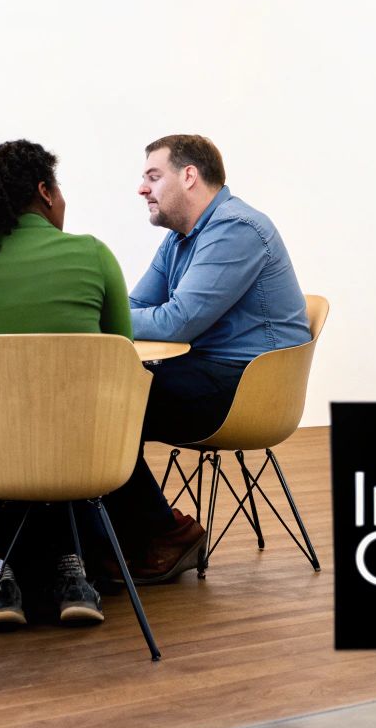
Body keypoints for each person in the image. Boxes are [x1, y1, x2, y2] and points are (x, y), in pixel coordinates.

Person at [0, 139, 128, 630]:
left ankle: (7, 574)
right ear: (44, 192)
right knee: (60, 431)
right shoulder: (93, 254)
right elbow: (122, 352)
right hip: (86, 449)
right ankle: (70, 573)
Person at [107, 133, 310, 582]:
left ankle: (165, 534)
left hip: (249, 386)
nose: (143, 188)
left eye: (153, 177)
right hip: (206, 371)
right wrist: (101, 313)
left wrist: (91, 315)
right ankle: (121, 538)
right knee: (100, 394)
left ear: (190, 176)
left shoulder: (235, 227)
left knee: (107, 405)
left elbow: (175, 323)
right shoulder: (181, 238)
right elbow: (137, 308)